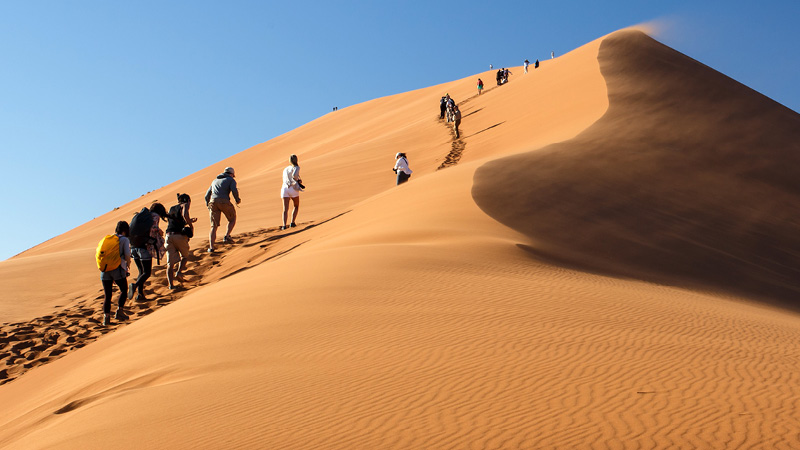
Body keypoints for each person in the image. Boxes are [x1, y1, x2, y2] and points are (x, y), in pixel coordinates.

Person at [129, 202, 168, 302]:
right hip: (144, 247)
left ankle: (140, 295)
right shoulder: (155, 216)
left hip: (134, 247)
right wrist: (159, 231)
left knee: (141, 272)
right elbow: (153, 228)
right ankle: (135, 286)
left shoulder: (142, 216)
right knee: (147, 272)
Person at [101, 221, 131, 326]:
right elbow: (127, 254)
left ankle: (106, 318)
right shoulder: (124, 240)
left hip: (104, 270)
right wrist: (128, 264)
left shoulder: (109, 239)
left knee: (107, 295)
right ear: (125, 230)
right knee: (124, 289)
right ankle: (119, 311)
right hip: (117, 269)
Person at [205, 166, 241, 252]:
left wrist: (208, 205)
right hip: (224, 201)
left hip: (213, 202)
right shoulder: (231, 180)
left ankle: (211, 247)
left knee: (213, 226)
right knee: (232, 219)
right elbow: (234, 190)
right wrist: (237, 199)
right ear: (232, 174)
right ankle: (227, 236)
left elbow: (206, 195)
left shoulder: (214, 181)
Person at [165, 193, 197, 289]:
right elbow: (184, 214)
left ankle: (171, 285)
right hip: (179, 235)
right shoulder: (185, 205)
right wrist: (191, 225)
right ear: (187, 201)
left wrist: (188, 221)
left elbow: (175, 221)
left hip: (168, 236)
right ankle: (179, 272)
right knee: (185, 256)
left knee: (170, 264)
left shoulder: (171, 208)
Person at [281, 154, 303, 230]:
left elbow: (284, 178)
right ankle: (292, 223)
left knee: (285, 209)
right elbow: (294, 176)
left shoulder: (285, 169)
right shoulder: (296, 167)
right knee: (296, 206)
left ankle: (284, 225)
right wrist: (298, 180)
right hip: (293, 188)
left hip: (284, 188)